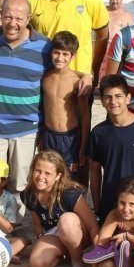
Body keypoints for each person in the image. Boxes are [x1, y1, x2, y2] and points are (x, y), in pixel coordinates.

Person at [0, 0, 50, 193]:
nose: (12, 24)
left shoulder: (44, 47)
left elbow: (60, 73)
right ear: (0, 15)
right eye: (7, 17)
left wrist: (82, 76)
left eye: (18, 18)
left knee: (19, 185)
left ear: (28, 18)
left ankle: (14, 225)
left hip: (27, 129)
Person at [27, 0, 109, 86]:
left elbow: (103, 36)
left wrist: (92, 72)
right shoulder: (31, 0)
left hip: (80, 82)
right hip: (45, 81)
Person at [88, 74, 134, 223]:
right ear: (101, 101)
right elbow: (95, 172)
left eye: (118, 96)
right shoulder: (98, 133)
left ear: (128, 98)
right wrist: (97, 207)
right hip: (112, 208)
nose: (113, 101)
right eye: (108, 97)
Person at [22, 150, 98, 267]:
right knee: (37, 264)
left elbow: (92, 225)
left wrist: (99, 255)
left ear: (58, 176)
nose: (41, 177)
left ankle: (76, 260)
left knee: (66, 220)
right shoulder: (28, 194)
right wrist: (40, 245)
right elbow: (38, 225)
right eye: (37, 170)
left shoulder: (69, 193)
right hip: (56, 234)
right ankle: (65, 253)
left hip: (78, 232)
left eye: (47, 173)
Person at [41, 31, 89, 182]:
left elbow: (86, 116)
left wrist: (83, 145)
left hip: (70, 138)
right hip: (49, 135)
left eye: (65, 54)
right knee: (49, 176)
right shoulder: (45, 77)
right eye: (56, 53)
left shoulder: (77, 82)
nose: (60, 58)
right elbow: (44, 109)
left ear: (72, 56)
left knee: (70, 179)